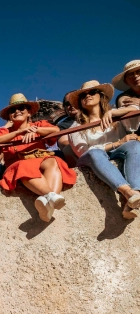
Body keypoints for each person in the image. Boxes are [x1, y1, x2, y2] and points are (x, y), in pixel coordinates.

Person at [0, 93, 75, 222]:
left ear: (29, 113)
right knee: (23, 166)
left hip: (41, 159)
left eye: (21, 108)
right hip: (19, 163)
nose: (17, 111)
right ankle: (51, 195)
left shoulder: (39, 124)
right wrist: (18, 132)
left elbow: (56, 130)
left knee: (54, 161)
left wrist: (35, 130)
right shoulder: (5, 131)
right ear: (9, 117)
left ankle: (48, 205)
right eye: (13, 110)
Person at [69, 80, 140, 219]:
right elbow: (84, 151)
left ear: (101, 96)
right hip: (93, 157)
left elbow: (136, 111)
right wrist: (117, 143)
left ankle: (133, 196)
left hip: (117, 152)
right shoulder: (76, 126)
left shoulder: (115, 114)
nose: (87, 95)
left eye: (92, 92)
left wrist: (115, 112)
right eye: (83, 95)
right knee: (95, 152)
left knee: (135, 145)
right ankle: (127, 192)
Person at [55, 92, 80, 167]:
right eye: (68, 104)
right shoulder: (62, 125)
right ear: (65, 108)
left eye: (74, 101)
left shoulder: (95, 117)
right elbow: (63, 142)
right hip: (80, 152)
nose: (71, 105)